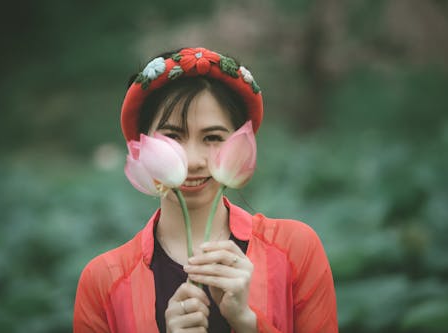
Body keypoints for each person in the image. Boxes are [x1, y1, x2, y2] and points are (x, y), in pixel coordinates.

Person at [73, 47, 338, 333]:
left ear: (241, 145)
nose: (193, 161)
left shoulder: (296, 250)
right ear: (141, 144)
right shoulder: (102, 280)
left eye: (212, 137)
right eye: (173, 136)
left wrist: (249, 324)